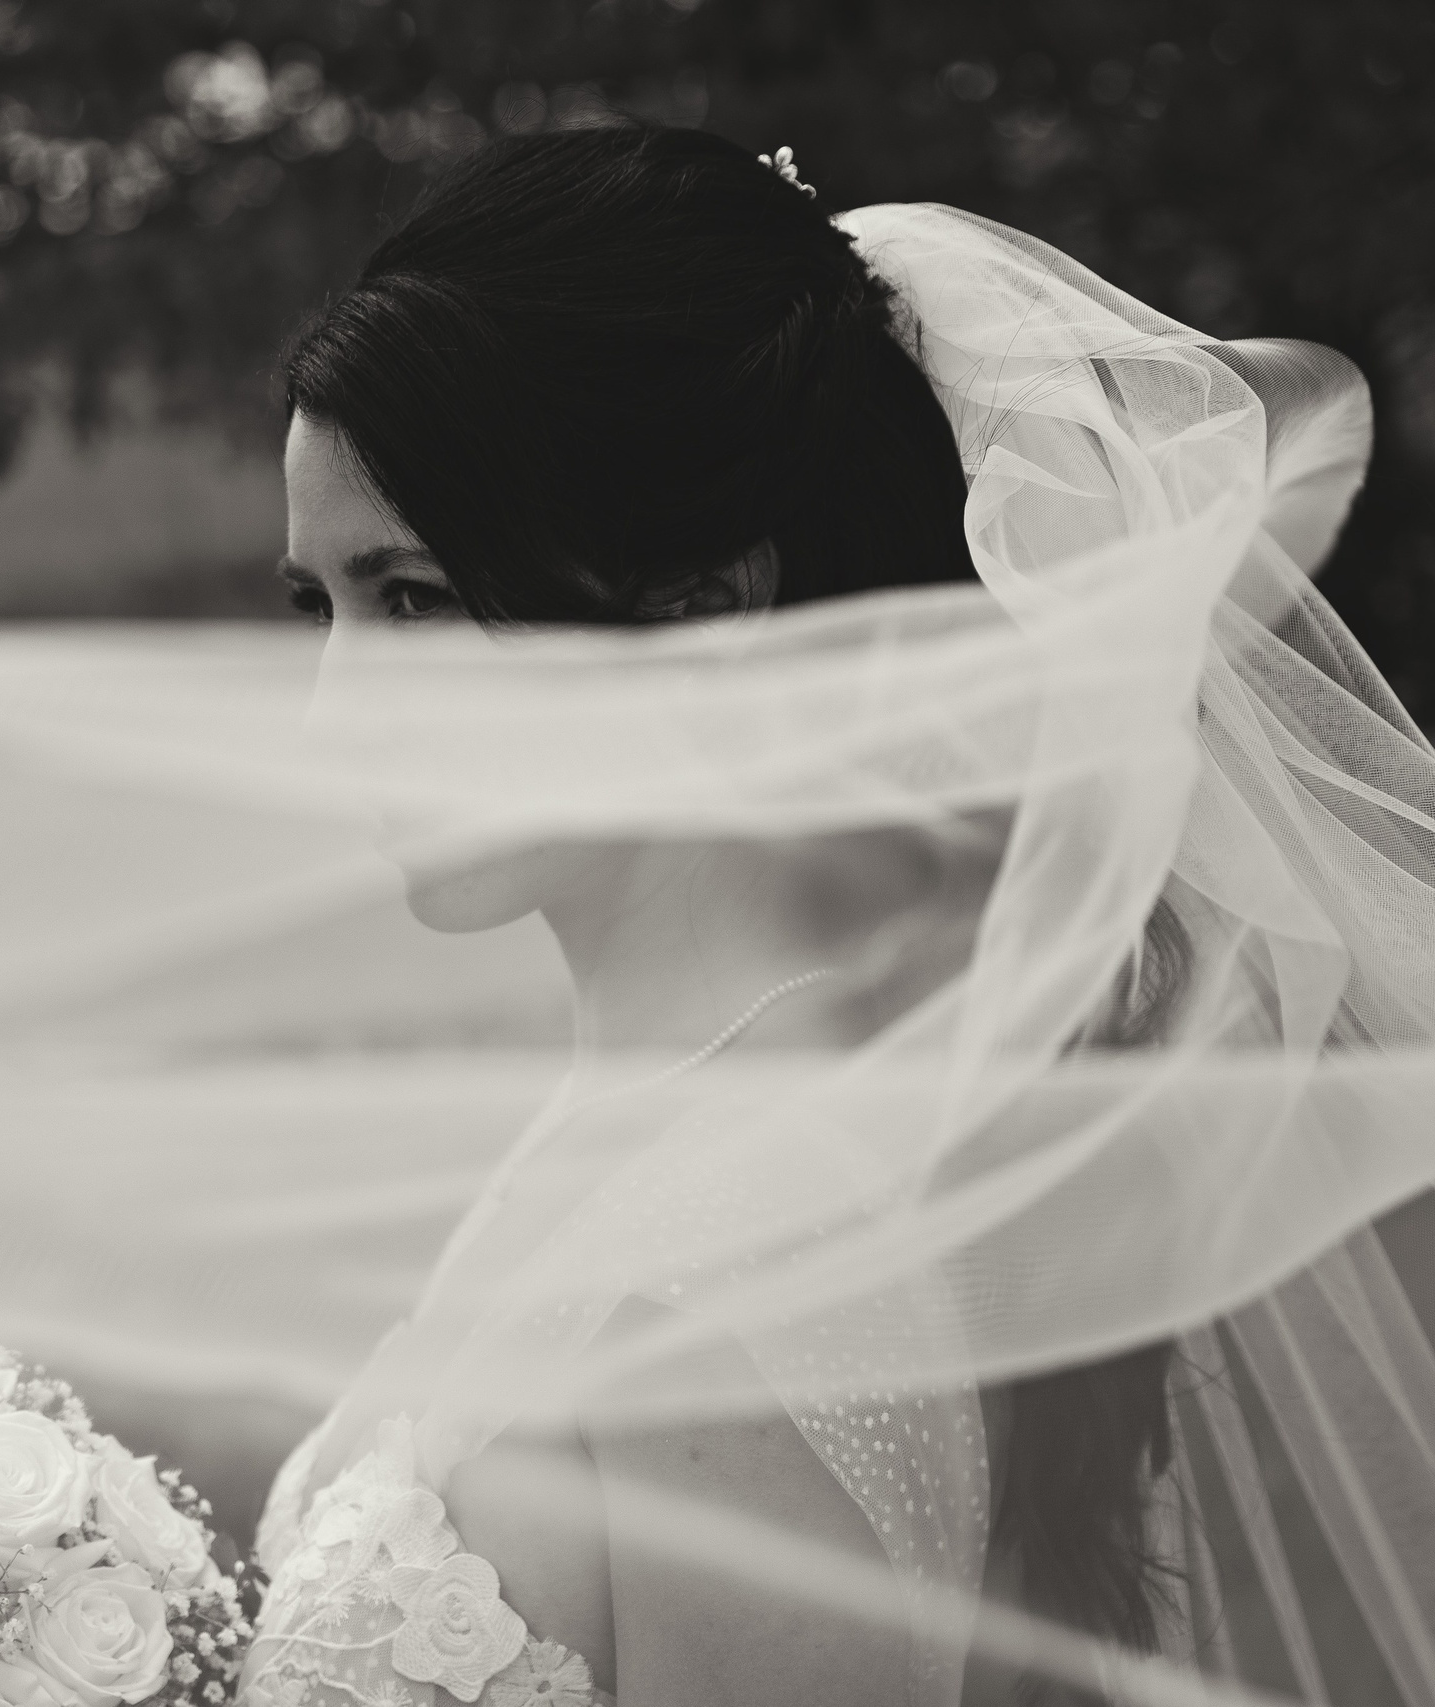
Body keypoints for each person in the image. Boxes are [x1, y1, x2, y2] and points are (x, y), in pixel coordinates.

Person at [241, 122, 1435, 1707]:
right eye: (314, 603)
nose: (334, 717)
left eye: (416, 599)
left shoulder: (727, 1281)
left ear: (705, 605)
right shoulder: (685, 1119)